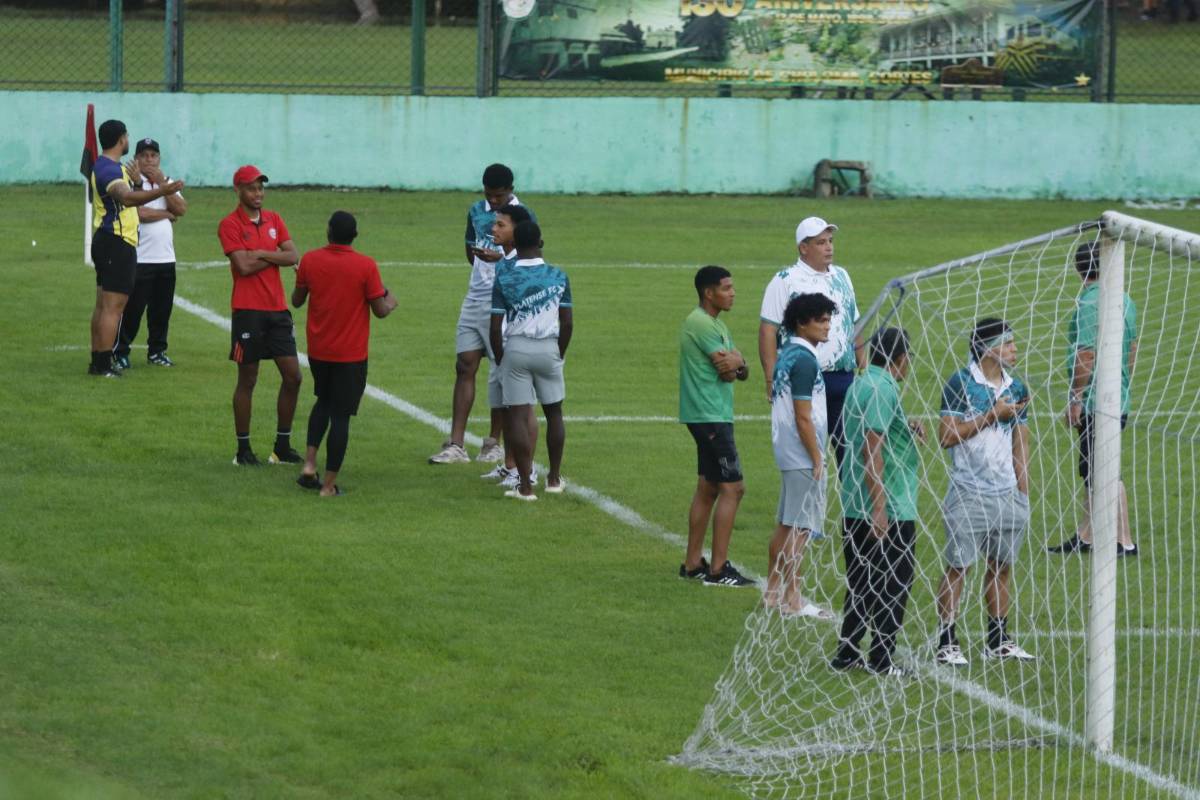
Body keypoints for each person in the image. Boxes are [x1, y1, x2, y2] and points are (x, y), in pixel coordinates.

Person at [933, 319, 1035, 666]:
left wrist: (1023, 492)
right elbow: (946, 436)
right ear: (990, 348)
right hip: (968, 493)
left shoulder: (1017, 388)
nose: (1014, 350)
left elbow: (1021, 440)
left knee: (1001, 567)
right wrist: (993, 414)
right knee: (959, 567)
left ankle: (998, 639)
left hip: (1008, 495)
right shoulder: (960, 383)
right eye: (1008, 344)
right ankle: (947, 640)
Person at [830, 328, 924, 676]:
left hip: (855, 502)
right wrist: (881, 508)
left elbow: (872, 430)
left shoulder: (862, 381)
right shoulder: (884, 388)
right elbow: (873, 446)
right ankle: (882, 660)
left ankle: (847, 652)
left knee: (860, 582)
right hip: (887, 507)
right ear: (901, 359)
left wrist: (905, 427)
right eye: (908, 357)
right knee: (893, 582)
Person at [430, 164, 536, 466]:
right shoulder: (476, 210)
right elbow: (469, 249)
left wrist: (499, 258)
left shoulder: (523, 214)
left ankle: (493, 443)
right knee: (464, 365)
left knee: (501, 372)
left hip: (504, 301)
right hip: (475, 297)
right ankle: (456, 444)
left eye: (498, 196)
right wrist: (482, 267)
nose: (493, 202)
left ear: (510, 190)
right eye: (489, 196)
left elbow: (531, 256)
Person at [292, 211, 396, 496]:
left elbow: (297, 301)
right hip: (350, 356)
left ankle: (309, 465)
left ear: (328, 232)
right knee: (340, 417)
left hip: (318, 351)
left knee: (322, 401)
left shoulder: (311, 260)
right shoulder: (365, 266)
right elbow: (380, 310)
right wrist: (391, 300)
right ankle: (327, 486)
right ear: (355, 236)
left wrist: (303, 278)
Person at [1049, 242, 1139, 557]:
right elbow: (1131, 352)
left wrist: (1076, 397)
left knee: (1104, 468)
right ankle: (1087, 535)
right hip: (1118, 396)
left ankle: (1122, 540)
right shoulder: (1125, 300)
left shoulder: (1090, 304)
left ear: (1078, 269)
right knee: (1091, 467)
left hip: (1097, 400)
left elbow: (1085, 354)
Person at [759, 216, 863, 468]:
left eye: (830, 241)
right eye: (820, 243)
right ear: (803, 248)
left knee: (852, 455)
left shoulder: (842, 276)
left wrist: (865, 367)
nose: (829, 247)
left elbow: (855, 324)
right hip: (806, 379)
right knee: (807, 456)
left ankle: (853, 507)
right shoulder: (785, 280)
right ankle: (808, 505)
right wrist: (771, 379)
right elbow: (767, 331)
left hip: (844, 378)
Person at [217, 165, 302, 466]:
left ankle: (282, 446)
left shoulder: (274, 219)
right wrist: (272, 255)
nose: (258, 194)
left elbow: (293, 256)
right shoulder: (229, 224)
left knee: (293, 376)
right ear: (238, 190)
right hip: (248, 311)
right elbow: (243, 267)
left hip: (278, 310)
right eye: (252, 188)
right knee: (248, 379)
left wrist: (262, 253)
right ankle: (243, 450)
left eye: (261, 188)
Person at [678, 266, 755, 588]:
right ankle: (718, 569)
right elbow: (726, 371)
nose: (733, 293)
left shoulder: (717, 325)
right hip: (710, 415)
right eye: (726, 288)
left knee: (708, 488)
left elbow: (739, 370)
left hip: (712, 414)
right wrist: (736, 364)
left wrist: (739, 363)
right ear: (709, 293)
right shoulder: (700, 323)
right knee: (733, 488)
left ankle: (693, 563)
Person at [87, 119, 183, 377]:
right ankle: (105, 364)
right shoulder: (110, 170)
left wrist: (144, 185)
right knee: (112, 308)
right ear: (121, 139)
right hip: (117, 242)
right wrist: (162, 190)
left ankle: (97, 361)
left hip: (111, 241)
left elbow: (131, 195)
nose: (128, 140)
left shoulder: (113, 167)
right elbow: (127, 198)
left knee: (103, 305)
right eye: (127, 136)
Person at [765, 293, 839, 618]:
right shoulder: (806, 361)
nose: (827, 327)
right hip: (801, 455)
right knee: (801, 528)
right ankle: (793, 598)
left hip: (787, 451)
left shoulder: (789, 354)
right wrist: (817, 457)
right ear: (801, 323)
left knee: (786, 524)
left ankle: (771, 592)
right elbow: (803, 416)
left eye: (828, 320)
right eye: (821, 320)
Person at [489, 221, 571, 501]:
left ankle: (525, 486)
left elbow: (494, 324)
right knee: (554, 413)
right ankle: (554, 479)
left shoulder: (504, 277)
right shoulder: (558, 275)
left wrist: (502, 358)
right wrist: (558, 352)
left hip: (517, 349)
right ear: (540, 242)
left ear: (516, 244)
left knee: (517, 416)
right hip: (549, 348)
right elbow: (567, 321)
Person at [478, 204, 541, 490]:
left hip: (516, 346)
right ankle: (511, 466)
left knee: (523, 409)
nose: (494, 229)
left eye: (501, 225)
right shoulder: (505, 261)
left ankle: (529, 472)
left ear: (518, 231)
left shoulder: (522, 264)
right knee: (506, 408)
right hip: (502, 346)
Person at [114, 137, 187, 369]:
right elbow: (139, 213)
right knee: (133, 310)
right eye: (144, 155)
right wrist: (166, 215)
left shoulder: (166, 181)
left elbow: (181, 209)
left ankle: (157, 351)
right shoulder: (129, 181)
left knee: (161, 311)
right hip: (141, 258)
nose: (149, 160)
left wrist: (163, 185)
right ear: (135, 158)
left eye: (153, 155)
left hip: (166, 258)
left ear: (159, 158)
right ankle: (121, 351)